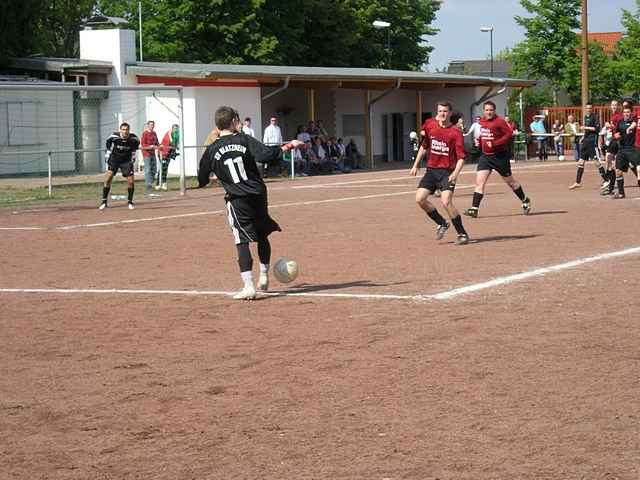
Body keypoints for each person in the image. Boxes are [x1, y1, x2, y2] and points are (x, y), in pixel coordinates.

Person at [198, 106, 303, 300]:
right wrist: (287, 147)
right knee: (262, 234)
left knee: (242, 240)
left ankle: (248, 286)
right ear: (233, 122)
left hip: (237, 199)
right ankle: (263, 276)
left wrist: (215, 174)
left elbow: (202, 178)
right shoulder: (244, 139)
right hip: (257, 194)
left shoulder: (212, 148)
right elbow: (266, 156)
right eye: (237, 120)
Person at [409, 100, 470, 245]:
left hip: (447, 172)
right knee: (420, 199)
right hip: (432, 171)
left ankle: (462, 234)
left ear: (449, 113)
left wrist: (455, 173)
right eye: (440, 111)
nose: (442, 114)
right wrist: (415, 165)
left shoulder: (455, 132)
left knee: (446, 202)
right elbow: (424, 146)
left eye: (445, 111)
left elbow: (462, 158)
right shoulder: (430, 125)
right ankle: (442, 223)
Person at [464, 101, 531, 218]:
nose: (488, 112)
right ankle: (474, 209)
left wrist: (495, 143)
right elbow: (482, 135)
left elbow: (509, 135)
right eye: (486, 110)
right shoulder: (481, 122)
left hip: (499, 157)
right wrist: (479, 142)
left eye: (491, 110)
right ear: (483, 111)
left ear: (494, 111)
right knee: (480, 182)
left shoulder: (499, 122)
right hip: (485, 156)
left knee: (510, 182)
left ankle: (525, 200)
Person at [99, 122, 139, 210]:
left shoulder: (134, 138)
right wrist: (108, 153)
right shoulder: (114, 136)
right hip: (115, 159)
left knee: (131, 182)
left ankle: (130, 201)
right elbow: (108, 143)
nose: (125, 132)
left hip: (126, 161)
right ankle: (104, 201)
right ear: (120, 130)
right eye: (123, 130)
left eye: (127, 130)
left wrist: (133, 155)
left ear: (129, 130)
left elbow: (135, 147)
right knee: (108, 178)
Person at [570, 104, 603, 191]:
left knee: (596, 162)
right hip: (586, 142)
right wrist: (583, 137)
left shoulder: (595, 117)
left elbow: (597, 129)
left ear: (592, 109)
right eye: (587, 108)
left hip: (592, 142)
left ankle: (606, 180)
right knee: (581, 162)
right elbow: (587, 131)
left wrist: (585, 127)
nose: (588, 109)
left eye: (590, 108)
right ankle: (578, 182)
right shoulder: (585, 117)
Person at [611, 105, 638, 199]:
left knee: (638, 168)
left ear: (631, 113)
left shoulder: (634, 122)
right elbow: (615, 134)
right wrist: (616, 136)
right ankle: (621, 193)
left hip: (632, 149)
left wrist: (630, 128)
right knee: (618, 171)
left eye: (628, 112)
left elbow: (635, 124)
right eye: (625, 112)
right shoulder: (620, 122)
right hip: (622, 150)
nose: (626, 114)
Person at [157, 124, 179, 191]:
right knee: (162, 168)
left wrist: (174, 152)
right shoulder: (168, 134)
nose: (176, 130)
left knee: (165, 168)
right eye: (175, 128)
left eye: (177, 128)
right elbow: (168, 145)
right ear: (172, 129)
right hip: (163, 153)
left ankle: (163, 183)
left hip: (168, 154)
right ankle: (158, 184)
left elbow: (175, 145)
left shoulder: (176, 135)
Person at [140, 120, 161, 194]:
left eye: (153, 125)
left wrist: (159, 146)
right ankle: (148, 185)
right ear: (148, 125)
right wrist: (150, 146)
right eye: (151, 125)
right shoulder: (145, 133)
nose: (152, 126)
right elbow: (143, 144)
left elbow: (157, 142)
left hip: (152, 153)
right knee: (148, 169)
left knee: (154, 169)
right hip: (146, 153)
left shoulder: (154, 133)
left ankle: (150, 182)